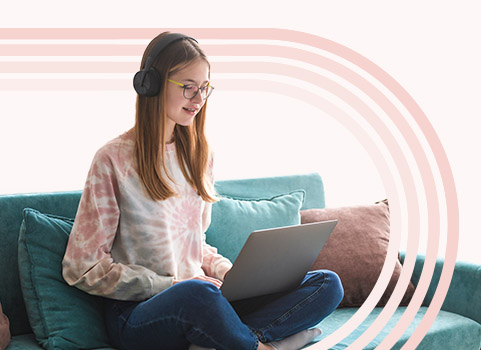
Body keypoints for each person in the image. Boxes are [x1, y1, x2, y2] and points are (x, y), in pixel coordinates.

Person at [62, 32, 344, 350]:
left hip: (203, 300)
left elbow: (195, 246)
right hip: (138, 313)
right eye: (188, 87)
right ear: (150, 84)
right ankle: (264, 345)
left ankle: (228, 340)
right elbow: (82, 267)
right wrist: (172, 285)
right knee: (197, 296)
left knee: (327, 284)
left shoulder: (200, 156)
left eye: (205, 88)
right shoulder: (113, 159)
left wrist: (231, 274)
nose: (198, 99)